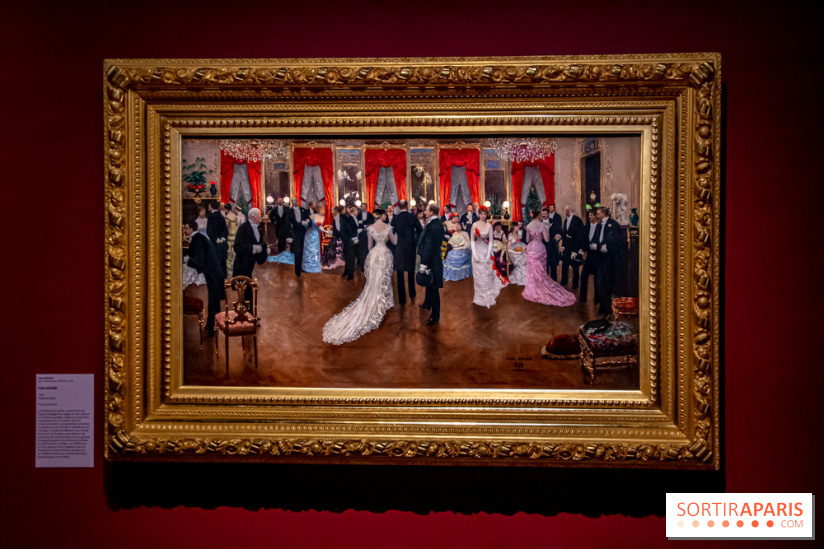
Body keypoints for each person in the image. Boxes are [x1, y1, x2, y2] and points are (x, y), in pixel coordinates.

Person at [322, 208, 398, 345]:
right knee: (384, 277)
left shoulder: (370, 228)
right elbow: (395, 242)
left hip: (375, 255)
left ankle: (376, 297)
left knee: (374, 280)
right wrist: (396, 235)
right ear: (382, 215)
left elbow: (369, 246)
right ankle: (385, 299)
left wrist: (374, 253)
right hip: (385, 254)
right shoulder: (388, 227)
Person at [522, 209, 576, 307]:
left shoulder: (529, 225)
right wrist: (546, 231)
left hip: (531, 248)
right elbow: (546, 240)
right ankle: (542, 287)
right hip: (539, 247)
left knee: (532, 270)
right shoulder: (542, 225)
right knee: (541, 270)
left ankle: (534, 289)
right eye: (540, 215)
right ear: (538, 215)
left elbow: (527, 239)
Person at [183, 220, 225, 337]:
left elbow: (200, 262)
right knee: (213, 301)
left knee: (213, 302)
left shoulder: (197, 239)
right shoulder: (198, 237)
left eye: (186, 228)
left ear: (191, 229)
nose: (184, 231)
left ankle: (213, 329)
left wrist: (188, 261)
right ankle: (211, 327)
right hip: (213, 273)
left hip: (212, 274)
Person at [470, 206, 508, 308]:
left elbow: (491, 241)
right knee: (478, 275)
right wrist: (475, 254)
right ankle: (479, 296)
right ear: (478, 214)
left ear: (487, 214)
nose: (483, 216)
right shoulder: (474, 225)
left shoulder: (489, 226)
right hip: (477, 251)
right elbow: (472, 241)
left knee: (487, 275)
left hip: (486, 250)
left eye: (484, 214)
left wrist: (487, 256)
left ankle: (487, 295)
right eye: (481, 214)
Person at [232, 207, 269, 305]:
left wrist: (265, 250)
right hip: (241, 265)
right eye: (259, 217)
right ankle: (246, 315)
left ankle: (250, 314)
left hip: (250, 265)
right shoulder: (243, 228)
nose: (261, 219)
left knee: (249, 291)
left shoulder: (259, 227)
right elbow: (237, 248)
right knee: (245, 292)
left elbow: (260, 244)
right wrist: (253, 248)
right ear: (253, 217)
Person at [417, 203, 445, 325]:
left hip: (432, 262)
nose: (425, 212)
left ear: (432, 212)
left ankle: (435, 315)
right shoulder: (435, 223)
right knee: (430, 285)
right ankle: (428, 304)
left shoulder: (435, 225)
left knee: (434, 289)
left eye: (427, 210)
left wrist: (424, 264)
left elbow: (429, 246)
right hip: (432, 260)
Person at [594, 206, 622, 317]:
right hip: (600, 257)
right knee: (600, 282)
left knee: (608, 283)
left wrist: (608, 247)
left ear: (604, 213)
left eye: (598, 213)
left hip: (610, 258)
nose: (597, 215)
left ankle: (607, 309)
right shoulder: (599, 225)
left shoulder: (613, 224)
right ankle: (603, 307)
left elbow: (617, 240)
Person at [390, 200, 419, 305]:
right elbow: (420, 229)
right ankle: (412, 293)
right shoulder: (412, 217)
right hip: (411, 246)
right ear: (407, 206)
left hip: (400, 247)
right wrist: (415, 241)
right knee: (411, 271)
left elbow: (392, 232)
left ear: (398, 207)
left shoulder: (396, 218)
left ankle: (402, 298)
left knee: (400, 273)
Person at [577, 209, 601, 304]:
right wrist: (582, 249)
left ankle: (597, 300)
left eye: (591, 215)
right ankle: (582, 298)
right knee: (583, 276)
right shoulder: (587, 226)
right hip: (589, 256)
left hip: (597, 256)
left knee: (597, 278)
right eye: (589, 215)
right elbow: (584, 239)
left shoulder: (599, 227)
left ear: (595, 216)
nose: (589, 217)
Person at [560, 205, 584, 289]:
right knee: (565, 265)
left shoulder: (577, 220)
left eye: (567, 210)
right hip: (566, 247)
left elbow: (580, 237)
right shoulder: (566, 220)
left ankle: (575, 285)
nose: (566, 212)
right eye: (565, 211)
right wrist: (562, 247)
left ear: (571, 211)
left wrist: (576, 250)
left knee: (575, 267)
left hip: (574, 247)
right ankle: (563, 282)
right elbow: (563, 234)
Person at [443, 214, 472, 281]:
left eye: (458, 225)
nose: (457, 227)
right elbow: (452, 242)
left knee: (458, 257)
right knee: (449, 255)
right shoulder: (454, 234)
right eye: (456, 226)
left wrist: (463, 247)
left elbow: (468, 243)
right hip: (454, 249)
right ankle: (450, 274)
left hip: (463, 249)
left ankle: (462, 275)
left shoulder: (465, 233)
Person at [288, 196, 311, 277]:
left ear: (297, 201)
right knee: (297, 252)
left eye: (295, 200)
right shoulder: (289, 211)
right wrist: (289, 236)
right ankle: (297, 271)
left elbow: (308, 218)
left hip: (303, 234)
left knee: (303, 251)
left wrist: (307, 221)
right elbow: (287, 224)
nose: (294, 202)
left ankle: (301, 267)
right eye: (292, 201)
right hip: (295, 234)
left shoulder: (303, 209)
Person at [301, 202, 326, 274]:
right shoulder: (312, 216)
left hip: (315, 235)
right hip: (309, 235)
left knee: (315, 251)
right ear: (320, 209)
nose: (324, 211)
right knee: (308, 251)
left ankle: (315, 266)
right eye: (323, 209)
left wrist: (326, 231)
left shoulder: (323, 217)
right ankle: (307, 266)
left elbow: (320, 227)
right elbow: (308, 225)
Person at [206, 201, 229, 279]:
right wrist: (222, 238)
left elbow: (209, 231)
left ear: (211, 207)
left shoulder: (210, 217)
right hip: (222, 244)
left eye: (209, 206)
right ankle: (224, 279)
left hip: (214, 244)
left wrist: (216, 239)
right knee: (223, 263)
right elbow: (225, 230)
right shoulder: (221, 216)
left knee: (215, 262)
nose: (208, 207)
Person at [542, 205, 562, 281]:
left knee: (553, 266)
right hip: (543, 247)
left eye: (545, 214)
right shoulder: (540, 223)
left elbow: (559, 231)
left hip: (553, 247)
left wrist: (558, 235)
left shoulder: (553, 221)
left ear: (548, 214)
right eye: (542, 214)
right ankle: (546, 283)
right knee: (545, 266)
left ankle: (554, 283)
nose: (543, 215)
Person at [322, 205, 345, 269]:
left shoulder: (340, 218)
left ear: (336, 211)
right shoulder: (335, 219)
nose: (331, 212)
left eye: (332, 210)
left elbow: (340, 229)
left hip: (340, 238)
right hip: (336, 237)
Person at [340, 205, 360, 280]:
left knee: (352, 257)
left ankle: (349, 272)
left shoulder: (354, 218)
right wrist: (354, 237)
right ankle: (350, 274)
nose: (357, 212)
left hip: (354, 240)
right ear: (353, 212)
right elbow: (349, 230)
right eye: (356, 211)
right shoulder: (349, 219)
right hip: (350, 241)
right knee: (350, 258)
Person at [224, 203, 239, 273]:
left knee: (229, 252)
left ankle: (230, 268)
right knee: (234, 252)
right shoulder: (235, 216)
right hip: (235, 235)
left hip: (229, 235)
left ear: (226, 209)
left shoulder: (227, 217)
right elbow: (237, 225)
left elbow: (226, 228)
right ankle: (235, 266)